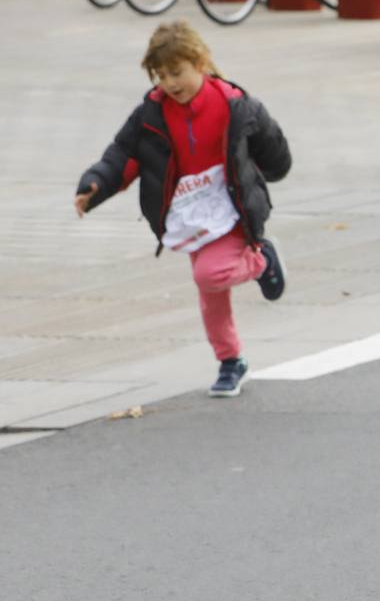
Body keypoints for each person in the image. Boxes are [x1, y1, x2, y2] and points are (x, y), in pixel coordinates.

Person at [74, 22, 290, 401]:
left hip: (232, 205)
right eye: (161, 75)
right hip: (191, 213)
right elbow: (123, 155)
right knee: (211, 293)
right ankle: (230, 361)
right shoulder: (151, 114)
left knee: (211, 274)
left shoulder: (234, 104)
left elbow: (270, 145)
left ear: (200, 62)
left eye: (177, 72)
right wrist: (96, 185)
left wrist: (270, 173)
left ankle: (262, 260)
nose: (170, 83)